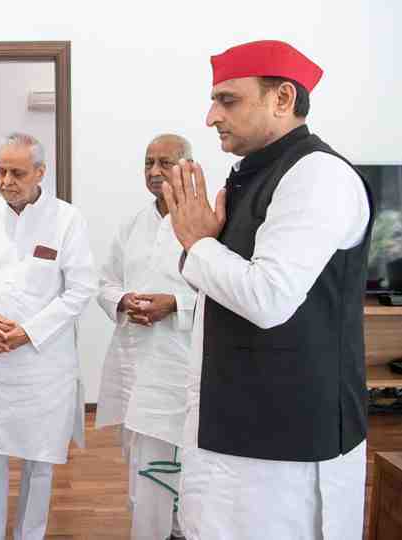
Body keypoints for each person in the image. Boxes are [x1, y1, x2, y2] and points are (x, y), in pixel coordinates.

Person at [161, 40, 373, 540]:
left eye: (228, 100)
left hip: (284, 450)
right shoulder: (256, 175)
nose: (211, 116)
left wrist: (198, 244)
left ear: (282, 98)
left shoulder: (318, 175)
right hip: (239, 429)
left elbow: (268, 298)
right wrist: (202, 246)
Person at [0, 132, 97, 540]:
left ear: (40, 173)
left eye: (17, 173)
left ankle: (29, 535)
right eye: (1, 171)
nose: (6, 181)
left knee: (40, 462)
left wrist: (29, 332)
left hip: (42, 367)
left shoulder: (66, 219)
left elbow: (80, 289)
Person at [95, 134, 196, 540]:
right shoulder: (131, 226)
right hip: (133, 360)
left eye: (165, 163)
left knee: (176, 464)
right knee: (139, 463)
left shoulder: (204, 224)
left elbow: (220, 293)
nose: (155, 172)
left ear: (186, 167)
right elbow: (105, 282)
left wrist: (174, 304)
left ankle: (178, 530)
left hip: (178, 364)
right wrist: (123, 301)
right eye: (148, 163)